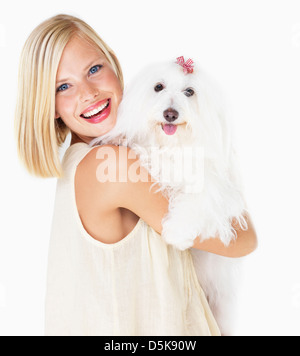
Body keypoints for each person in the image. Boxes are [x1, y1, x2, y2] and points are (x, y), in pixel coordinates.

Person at [14, 14, 257, 336]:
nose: (88, 92)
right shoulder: (113, 165)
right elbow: (243, 240)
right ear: (49, 106)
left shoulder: (87, 160)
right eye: (63, 86)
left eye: (94, 69)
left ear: (114, 64)